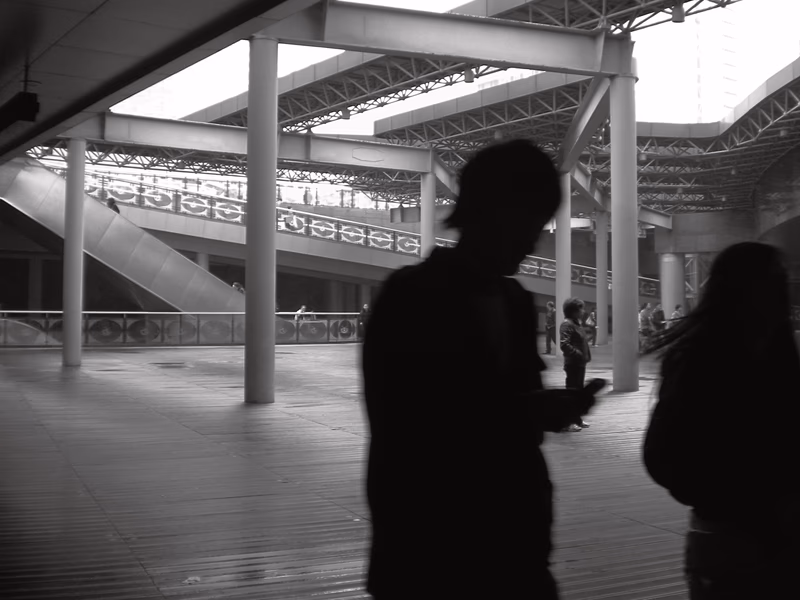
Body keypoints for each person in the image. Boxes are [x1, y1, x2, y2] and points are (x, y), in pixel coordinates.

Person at [362, 139, 603, 600]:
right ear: (493, 213)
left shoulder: (515, 301)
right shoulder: (412, 298)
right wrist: (531, 412)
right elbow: (411, 426)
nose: (535, 240)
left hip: (517, 544)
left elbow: (512, 409)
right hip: (431, 549)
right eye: (530, 223)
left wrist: (546, 410)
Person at [643, 242, 800, 599]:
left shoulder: (776, 353)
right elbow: (663, 455)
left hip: (770, 535)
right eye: (775, 281)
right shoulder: (702, 360)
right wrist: (732, 498)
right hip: (731, 537)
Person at [559, 297, 591, 432]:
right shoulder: (567, 324)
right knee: (571, 393)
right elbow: (564, 344)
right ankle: (569, 421)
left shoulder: (576, 324)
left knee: (577, 393)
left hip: (579, 363)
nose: (583, 311)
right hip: (573, 364)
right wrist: (578, 354)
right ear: (573, 311)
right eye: (581, 309)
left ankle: (576, 419)